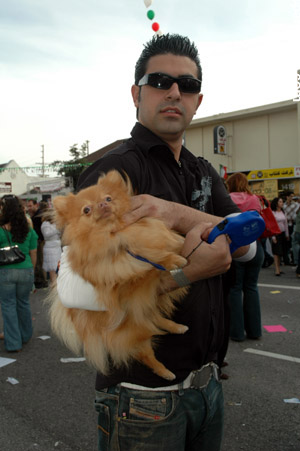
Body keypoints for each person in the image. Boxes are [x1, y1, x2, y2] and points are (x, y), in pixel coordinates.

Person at [56, 34, 256, 451]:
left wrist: (176, 214)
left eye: (188, 85)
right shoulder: (114, 171)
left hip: (208, 386)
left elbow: (246, 242)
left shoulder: (202, 170)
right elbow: (76, 291)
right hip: (142, 398)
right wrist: (186, 272)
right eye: (161, 80)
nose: (174, 92)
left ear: (198, 102)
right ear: (136, 93)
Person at [225, 173, 264, 341]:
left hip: (235, 247)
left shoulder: (227, 199)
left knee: (235, 288)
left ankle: (237, 332)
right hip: (256, 246)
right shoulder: (255, 199)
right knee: (251, 287)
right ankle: (255, 331)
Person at [0, 195, 38, 352]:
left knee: (8, 305)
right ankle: (25, 335)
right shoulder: (28, 230)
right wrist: (32, 271)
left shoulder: (1, 230)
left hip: (5, 271)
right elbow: (33, 253)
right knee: (23, 303)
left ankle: (14, 343)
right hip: (26, 269)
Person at [27, 199, 48, 288]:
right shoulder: (35, 215)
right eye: (28, 206)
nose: (29, 208)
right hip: (37, 240)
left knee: (39, 260)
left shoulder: (39, 215)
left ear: (36, 205)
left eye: (30, 206)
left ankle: (41, 281)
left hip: (39, 241)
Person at [41, 209, 62, 284]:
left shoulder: (55, 223)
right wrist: (56, 229)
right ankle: (53, 283)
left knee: (57, 266)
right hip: (50, 248)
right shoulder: (45, 224)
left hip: (57, 247)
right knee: (52, 267)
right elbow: (46, 234)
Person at [270, 197, 289, 276]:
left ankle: (279, 268)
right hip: (276, 233)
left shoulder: (283, 212)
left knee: (281, 251)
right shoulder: (273, 213)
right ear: (276, 203)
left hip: (283, 233)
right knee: (276, 251)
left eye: (282, 202)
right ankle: (277, 269)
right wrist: (273, 236)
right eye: (280, 202)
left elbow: (286, 224)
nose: (282, 203)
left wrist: (287, 234)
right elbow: (272, 225)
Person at [282, 191, 299, 265]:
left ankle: (293, 259)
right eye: (291, 196)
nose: (292, 198)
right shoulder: (283, 205)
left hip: (293, 224)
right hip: (286, 225)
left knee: (293, 242)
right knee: (286, 242)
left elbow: (296, 214)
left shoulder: (295, 205)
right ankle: (286, 259)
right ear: (287, 197)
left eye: (293, 196)